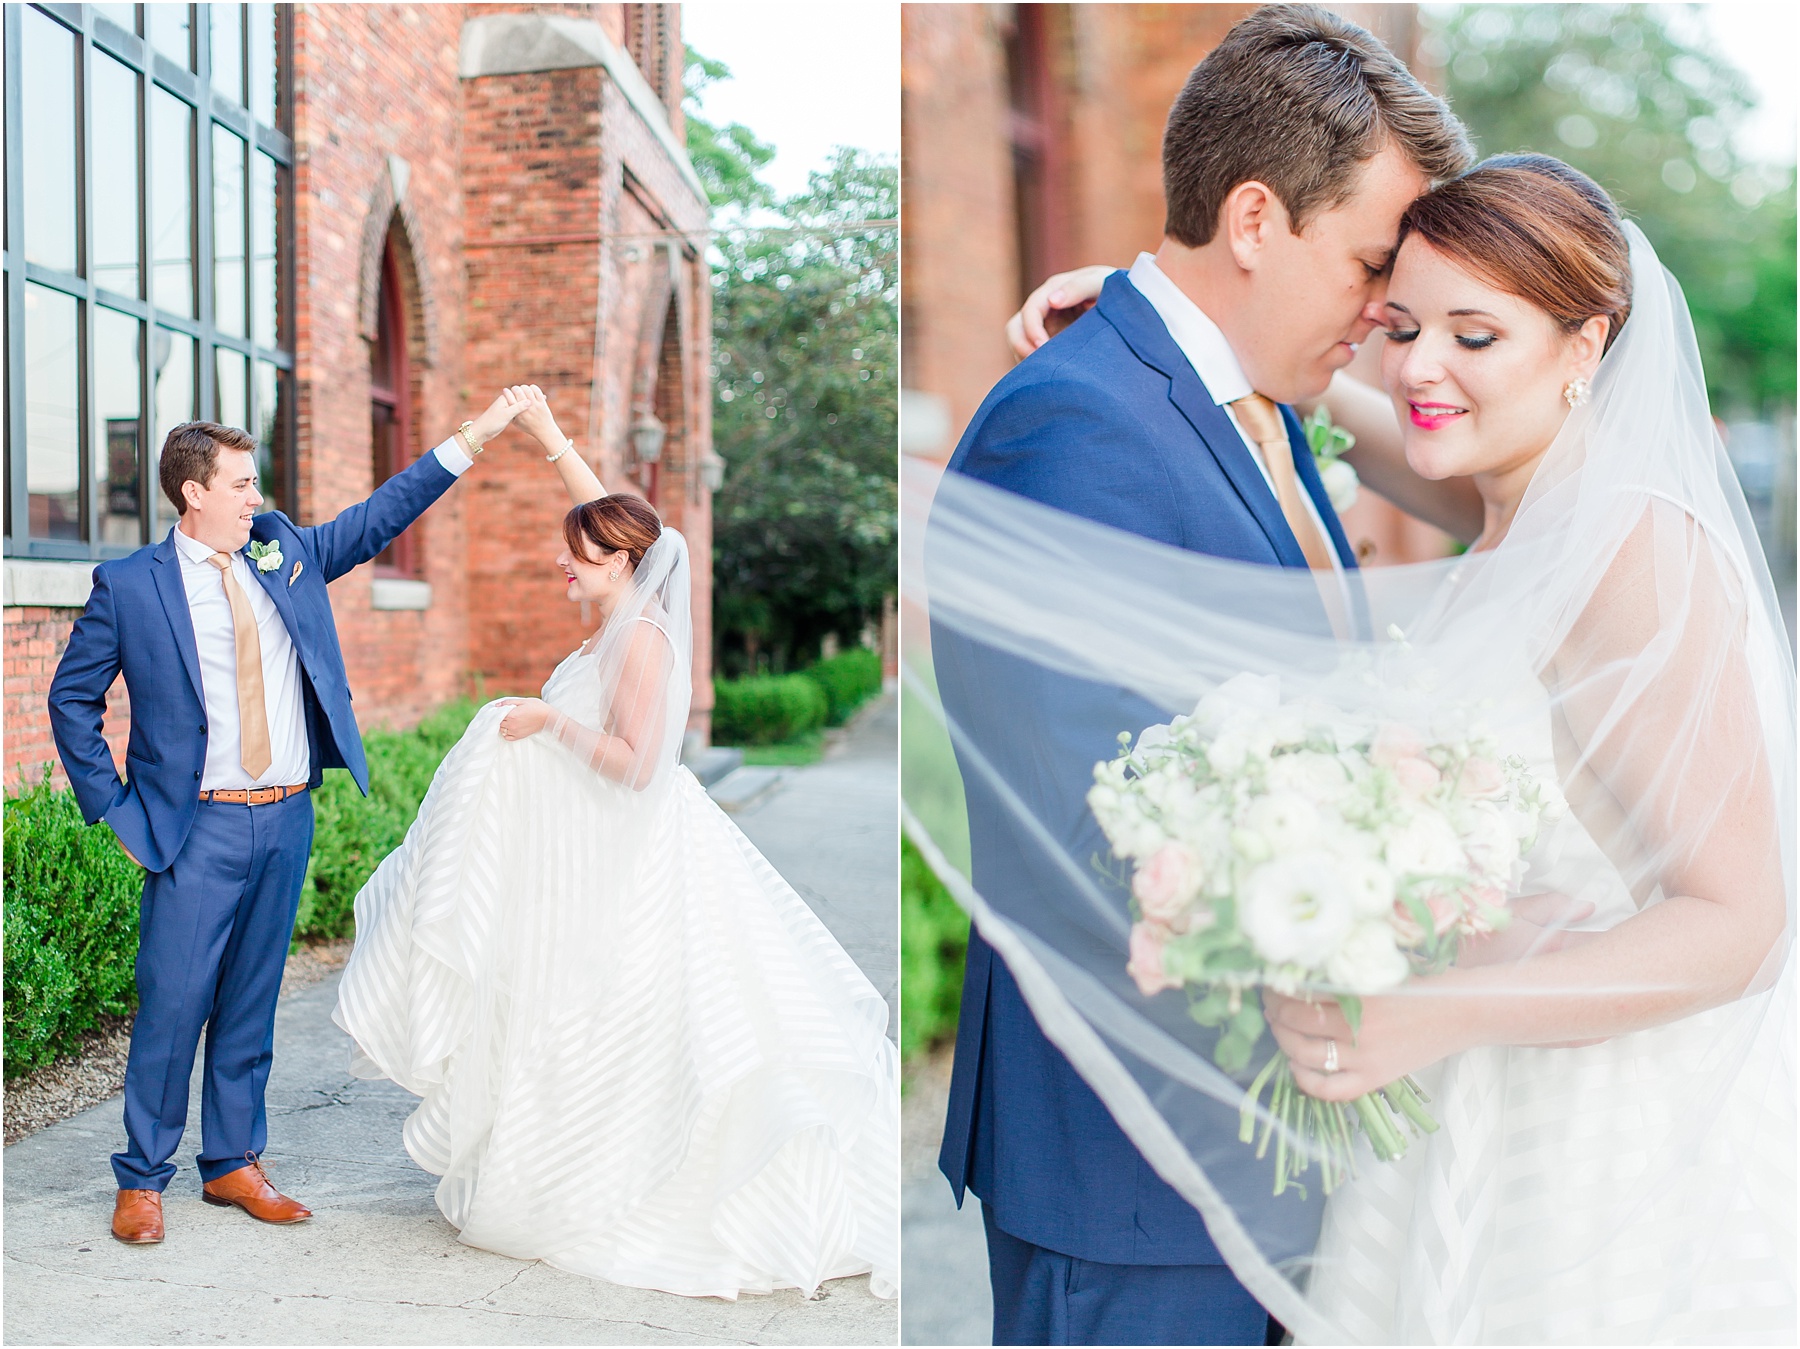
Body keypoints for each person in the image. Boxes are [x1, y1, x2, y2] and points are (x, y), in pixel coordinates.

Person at [940, 143, 1795, 1349]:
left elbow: (1742, 921)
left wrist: (1435, 1008)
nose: (1421, 367)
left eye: (1475, 335)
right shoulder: (1529, 509)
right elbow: (1390, 419)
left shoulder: (1628, 551)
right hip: (1452, 1119)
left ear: (1588, 347)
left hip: (1586, 1152)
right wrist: (1176, 318)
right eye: (1400, 324)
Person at [927, 8, 1471, 1344]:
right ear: (1251, 220)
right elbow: (1083, 825)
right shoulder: (1070, 421)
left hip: (1279, 1146)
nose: (1382, 316)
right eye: (1366, 267)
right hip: (1136, 1171)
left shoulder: (1262, 410)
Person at [332, 389, 898, 1302]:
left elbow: (637, 767)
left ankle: (627, 1182)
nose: (564, 560)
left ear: (620, 562)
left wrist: (548, 721)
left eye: (578, 552)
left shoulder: (639, 640)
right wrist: (550, 438)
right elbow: (610, 521)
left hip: (635, 854)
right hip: (595, 850)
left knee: (642, 1016)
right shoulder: (625, 613)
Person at [48, 392, 528, 1245]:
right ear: (193, 492)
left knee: (250, 1001)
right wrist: (117, 810)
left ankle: (232, 1161)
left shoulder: (282, 552)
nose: (254, 496)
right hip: (195, 827)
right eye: (239, 483)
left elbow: (379, 517)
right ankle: (141, 1178)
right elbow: (72, 699)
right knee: (172, 1002)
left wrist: (473, 438)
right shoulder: (129, 587)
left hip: (284, 819)